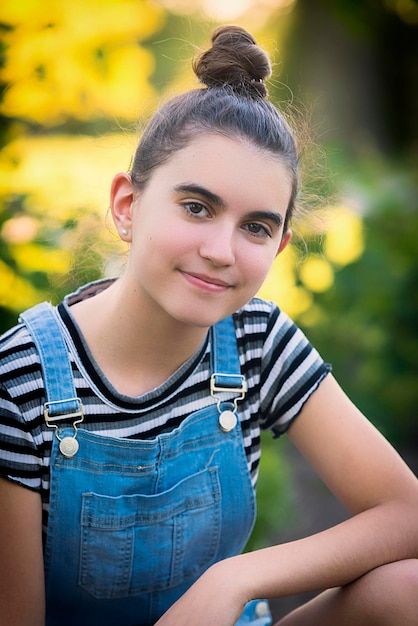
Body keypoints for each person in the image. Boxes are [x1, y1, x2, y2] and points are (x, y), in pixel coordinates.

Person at [0, 24, 417, 626]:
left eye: (255, 227)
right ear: (127, 206)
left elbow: (405, 512)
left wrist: (233, 579)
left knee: (407, 589)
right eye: (197, 207)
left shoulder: (256, 342)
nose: (222, 250)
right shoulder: (22, 380)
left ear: (278, 249)